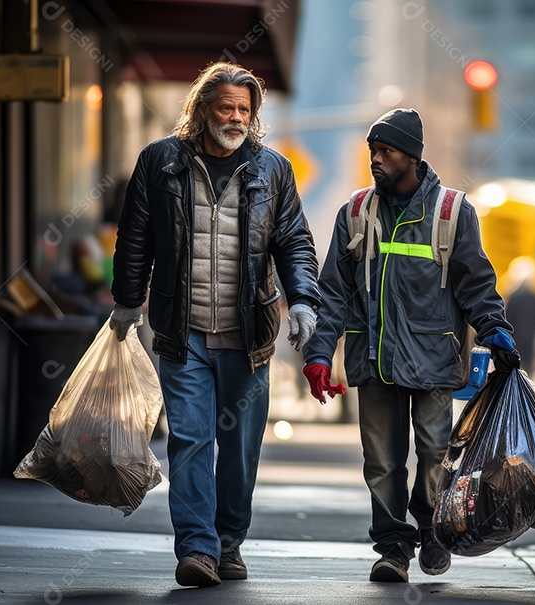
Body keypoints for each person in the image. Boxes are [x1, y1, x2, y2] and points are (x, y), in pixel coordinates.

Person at [109, 62, 321, 588]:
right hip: (182, 334)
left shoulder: (273, 169)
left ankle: (228, 542)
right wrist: (127, 301)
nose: (236, 118)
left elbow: (293, 240)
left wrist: (302, 300)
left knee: (240, 450)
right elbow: (135, 236)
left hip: (248, 338)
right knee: (190, 440)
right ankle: (198, 548)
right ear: (202, 109)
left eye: (244, 110)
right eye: (226, 107)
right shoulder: (160, 161)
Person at [301, 108, 519, 583]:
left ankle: (433, 529)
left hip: (432, 361)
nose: (376, 160)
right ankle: (394, 548)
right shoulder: (355, 213)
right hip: (373, 361)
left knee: (435, 452)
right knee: (381, 462)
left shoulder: (452, 213)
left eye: (386, 151)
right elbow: (333, 292)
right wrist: (319, 353)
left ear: (413, 157)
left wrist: (494, 329)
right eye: (372, 151)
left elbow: (475, 285)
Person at [503, 256, 535, 374]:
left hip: (515, 338)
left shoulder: (513, 297)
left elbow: (507, 318)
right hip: (531, 338)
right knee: (528, 370)